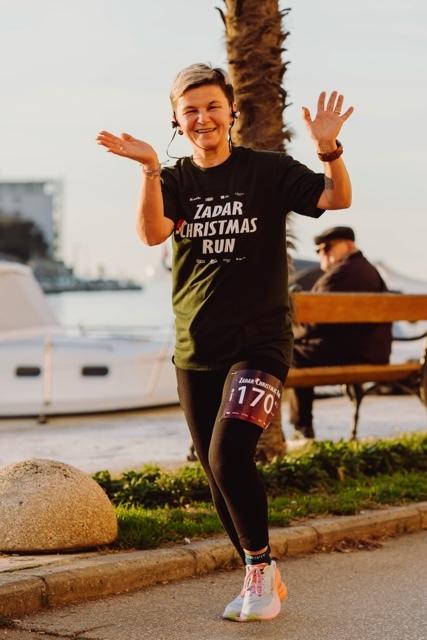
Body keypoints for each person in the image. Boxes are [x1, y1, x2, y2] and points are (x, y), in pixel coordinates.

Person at [96, 63, 353, 623]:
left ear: (232, 111)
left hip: (260, 343)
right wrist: (149, 169)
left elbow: (336, 199)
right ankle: (260, 571)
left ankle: (258, 572)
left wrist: (329, 150)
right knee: (217, 475)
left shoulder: (268, 170)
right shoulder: (173, 180)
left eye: (213, 105)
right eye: (190, 110)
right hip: (196, 346)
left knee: (228, 453)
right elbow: (152, 234)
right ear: (176, 120)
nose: (203, 118)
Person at [290, 226, 392, 439]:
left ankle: (302, 428)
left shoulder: (339, 275)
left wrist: (289, 337)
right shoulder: (370, 271)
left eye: (328, 247)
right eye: (319, 250)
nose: (322, 253)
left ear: (350, 245)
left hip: (347, 353)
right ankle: (302, 427)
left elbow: (313, 324)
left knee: (289, 355)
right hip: (373, 354)